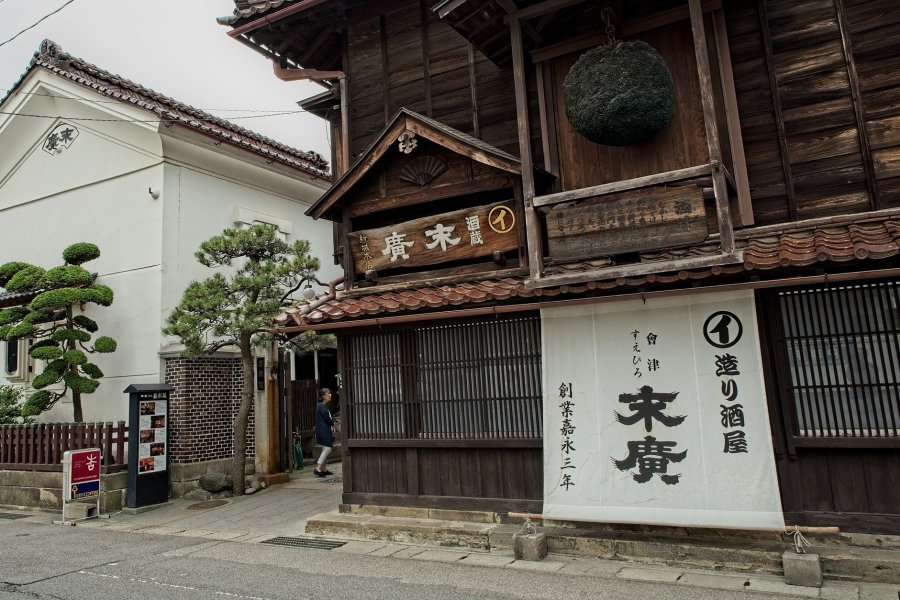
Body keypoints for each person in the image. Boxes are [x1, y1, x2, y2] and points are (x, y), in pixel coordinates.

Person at [314, 388, 335, 477]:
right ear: (323, 396)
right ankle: (318, 468)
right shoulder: (321, 406)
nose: (330, 395)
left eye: (330, 393)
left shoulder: (322, 406)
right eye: (327, 393)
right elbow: (327, 418)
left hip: (324, 430)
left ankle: (323, 469)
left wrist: (332, 425)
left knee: (324, 449)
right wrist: (333, 424)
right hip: (323, 430)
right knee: (327, 449)